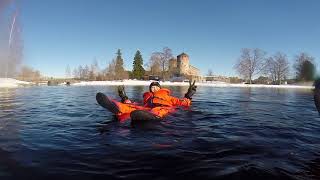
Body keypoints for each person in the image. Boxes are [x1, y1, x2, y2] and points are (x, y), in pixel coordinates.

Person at [115, 81, 197, 117]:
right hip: (147, 108)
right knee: (133, 107)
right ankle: (117, 107)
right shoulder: (147, 97)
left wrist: (188, 95)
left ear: (159, 88)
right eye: (152, 87)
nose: (154, 89)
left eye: (156, 87)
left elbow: (182, 102)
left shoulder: (167, 96)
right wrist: (124, 98)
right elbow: (136, 104)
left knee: (157, 110)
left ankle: (152, 116)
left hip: (163, 108)